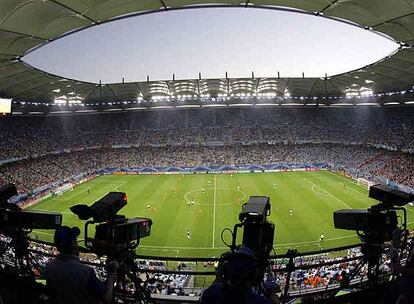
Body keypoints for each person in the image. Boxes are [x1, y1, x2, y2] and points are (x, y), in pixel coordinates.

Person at [46, 226, 119, 304]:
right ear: (73, 244)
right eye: (75, 240)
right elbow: (107, 298)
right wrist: (111, 274)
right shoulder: (85, 271)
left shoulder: (50, 266)